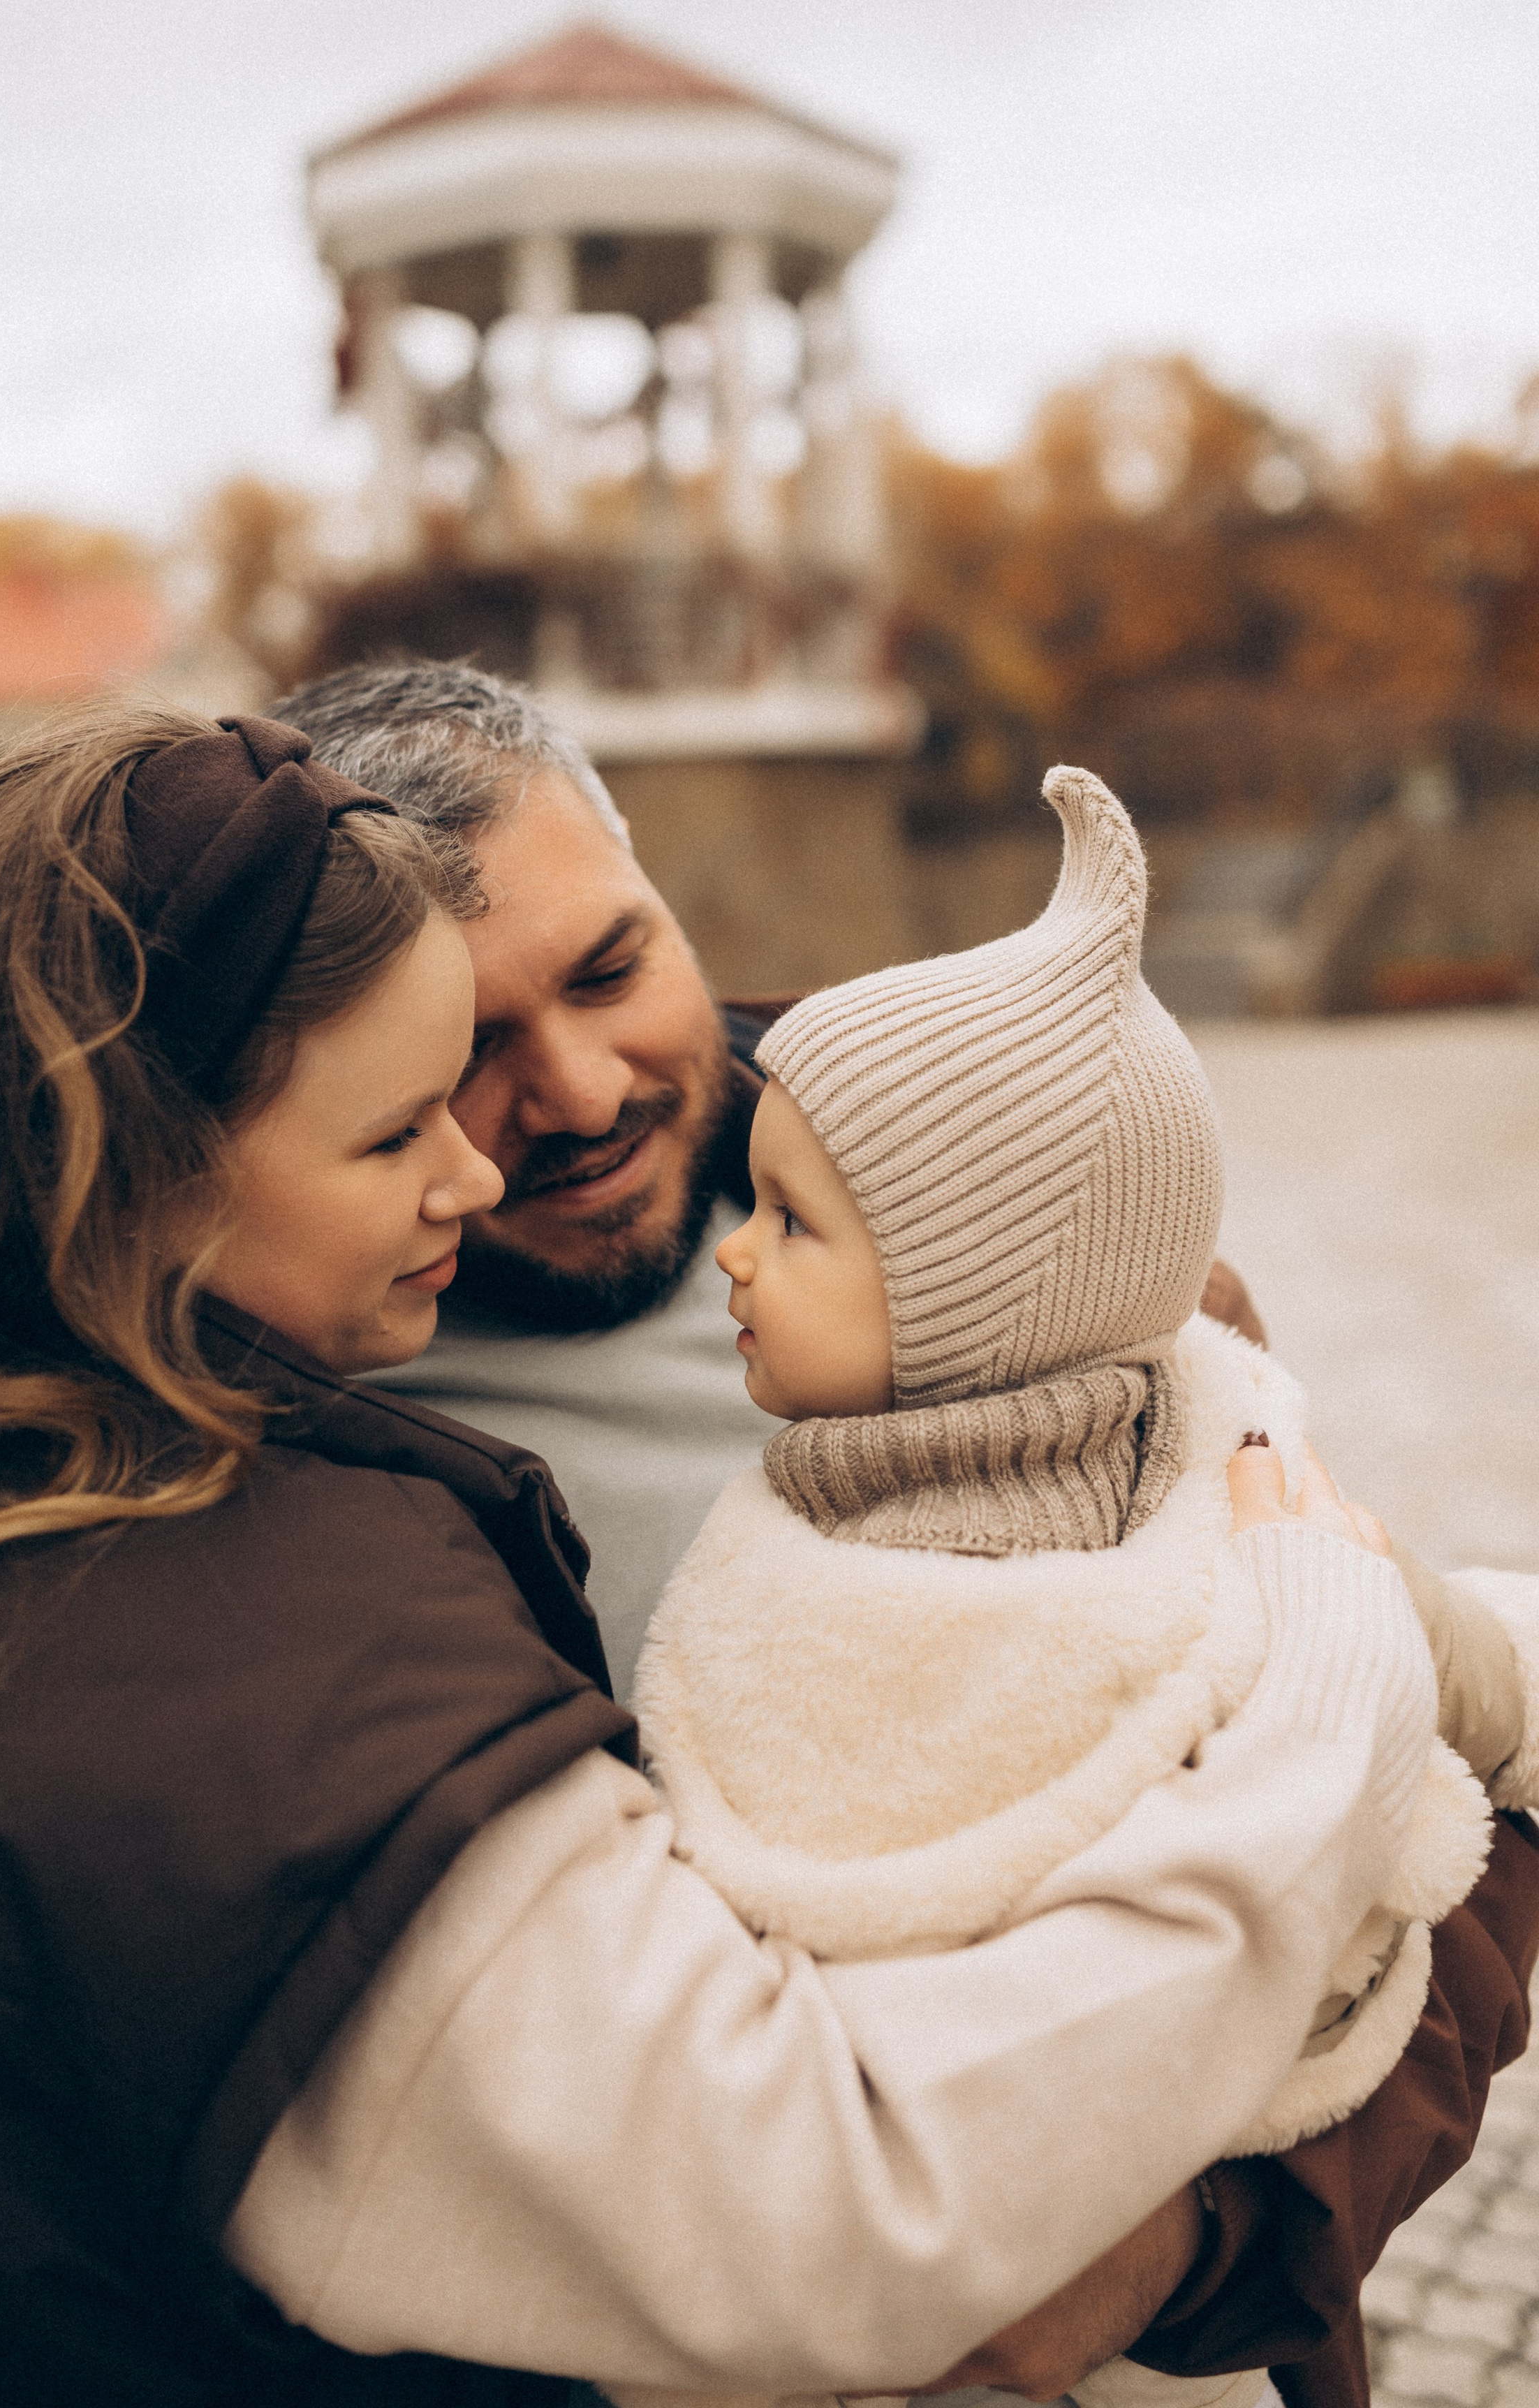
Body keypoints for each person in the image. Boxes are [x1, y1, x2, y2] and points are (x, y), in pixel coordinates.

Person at [0, 709, 1434, 2408]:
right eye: (416, 1106)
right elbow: (827, 2207)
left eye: (613, 962)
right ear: (140, 1176)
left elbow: (1403, 1745)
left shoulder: (1007, 1214)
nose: (507, 1143)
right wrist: (1327, 1738)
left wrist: (1231, 2225)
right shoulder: (235, 1595)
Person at [269, 659, 1539, 2408]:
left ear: (655, 879)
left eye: (609, 965)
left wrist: (1195, 2233)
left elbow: (1415, 1802)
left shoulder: (1031, 1226)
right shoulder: (310, 1442)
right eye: (470, 1046)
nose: (570, 1090)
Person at [633, 763, 1539, 2408]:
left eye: (788, 1222)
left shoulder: (1214, 1484)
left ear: (976, 1298)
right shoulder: (821, 1526)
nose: (731, 1253)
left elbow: (1412, 1643)